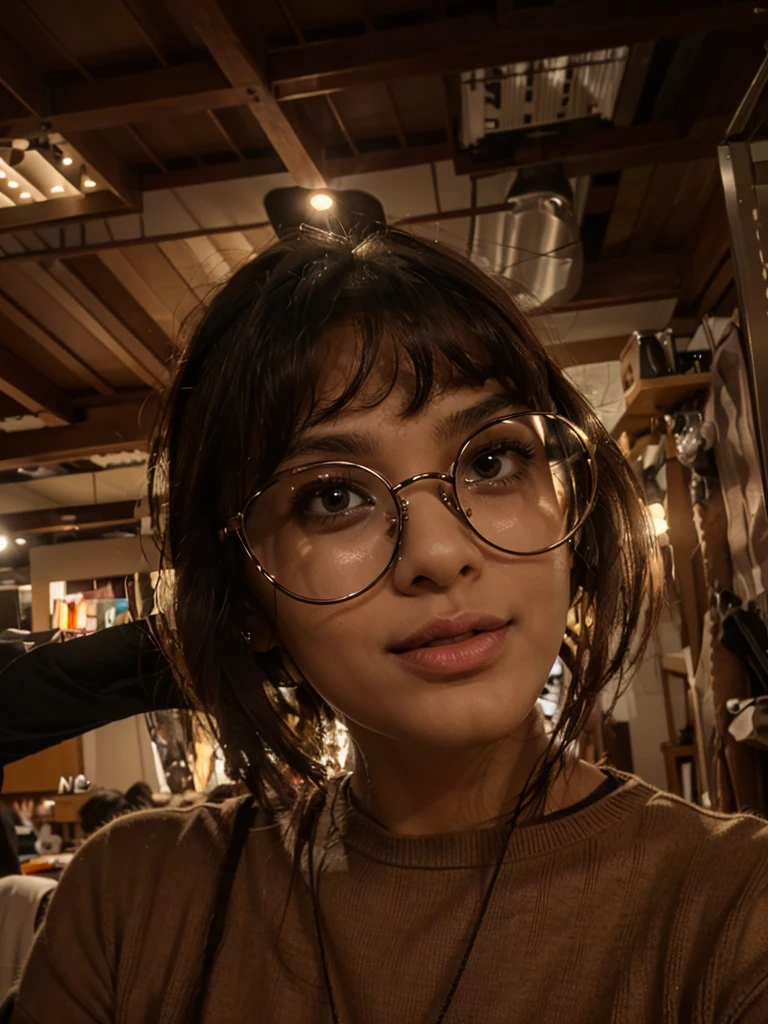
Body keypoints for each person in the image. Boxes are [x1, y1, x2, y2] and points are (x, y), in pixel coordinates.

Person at [8, 228, 768, 1024]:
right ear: (244, 594)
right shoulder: (134, 904)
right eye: (333, 496)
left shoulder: (732, 911)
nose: (439, 553)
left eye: (490, 461)